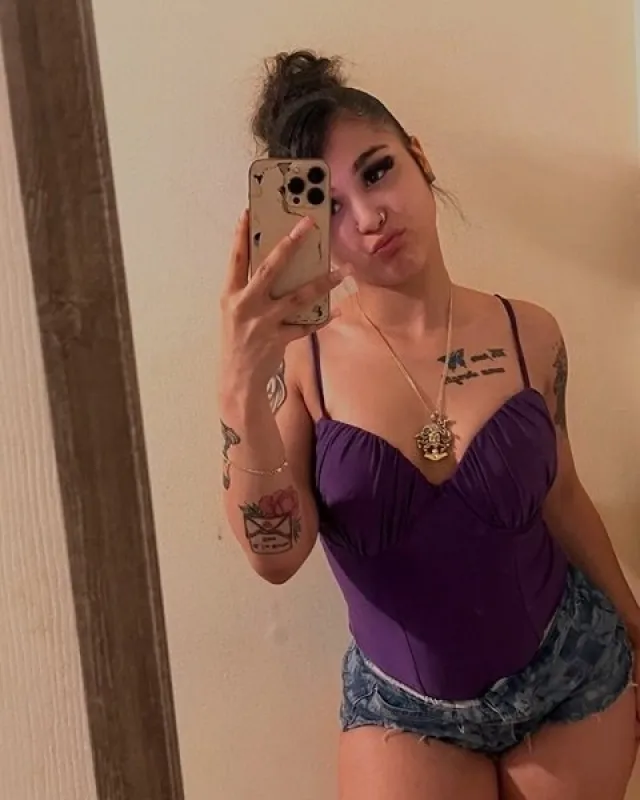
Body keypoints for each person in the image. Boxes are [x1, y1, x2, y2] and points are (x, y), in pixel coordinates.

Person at [218, 50, 639, 799]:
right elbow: (274, 558)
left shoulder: (531, 333)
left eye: (377, 172)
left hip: (574, 676)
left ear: (419, 158)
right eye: (331, 207)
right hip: (403, 713)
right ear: (305, 233)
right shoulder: (300, 367)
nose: (368, 217)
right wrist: (240, 383)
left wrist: (637, 629)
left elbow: (563, 496)